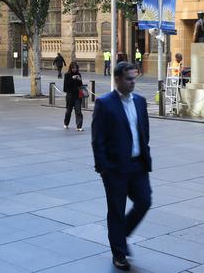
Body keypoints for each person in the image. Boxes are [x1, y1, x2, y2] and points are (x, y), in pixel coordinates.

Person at [92, 61, 152, 271]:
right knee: (116, 211)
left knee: (144, 201)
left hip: (138, 165)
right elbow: (97, 140)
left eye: (134, 78)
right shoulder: (105, 103)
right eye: (128, 78)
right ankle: (119, 253)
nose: (132, 82)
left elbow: (144, 131)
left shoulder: (140, 102)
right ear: (117, 79)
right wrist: (104, 168)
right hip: (115, 169)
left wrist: (145, 155)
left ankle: (120, 235)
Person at [63, 62, 84, 131]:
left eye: (76, 68)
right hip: (70, 96)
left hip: (78, 96)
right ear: (70, 68)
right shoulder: (67, 75)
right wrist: (72, 78)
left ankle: (79, 126)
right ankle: (66, 123)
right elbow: (65, 88)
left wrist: (79, 80)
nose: (74, 70)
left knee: (78, 111)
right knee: (68, 111)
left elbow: (81, 85)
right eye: (73, 68)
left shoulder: (79, 75)